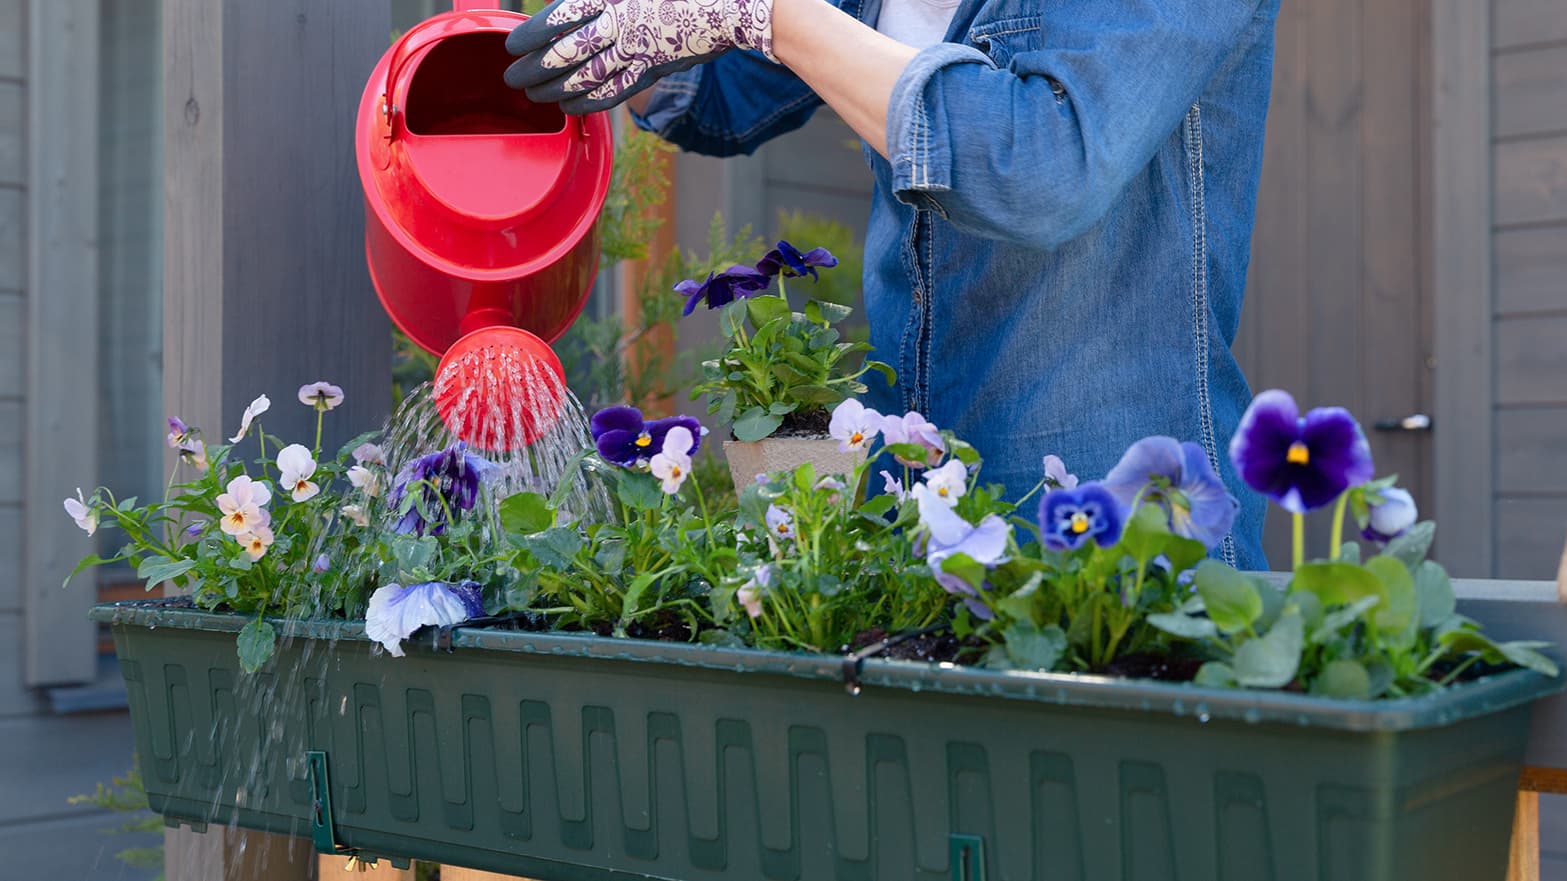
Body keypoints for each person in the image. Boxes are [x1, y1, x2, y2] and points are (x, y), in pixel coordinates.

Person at [504, 0, 1280, 569]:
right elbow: (723, 94)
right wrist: (628, 34)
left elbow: (1041, 167)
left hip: (1122, 532)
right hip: (921, 517)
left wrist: (770, 15)